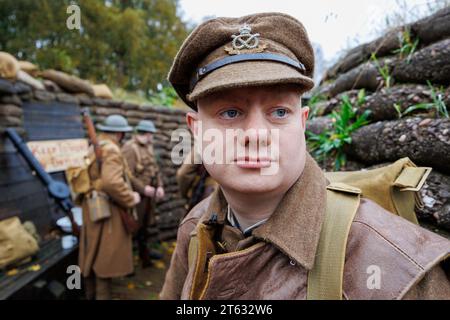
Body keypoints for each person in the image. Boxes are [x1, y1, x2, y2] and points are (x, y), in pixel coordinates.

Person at [160, 13, 450, 300]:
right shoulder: (195, 228)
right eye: (231, 113)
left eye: (279, 112)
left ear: (301, 123)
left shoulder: (398, 266)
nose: (257, 134)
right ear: (197, 130)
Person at [78, 115, 141, 300]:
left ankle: (90, 295)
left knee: (92, 255)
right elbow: (111, 183)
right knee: (103, 260)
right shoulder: (112, 149)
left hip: (92, 206)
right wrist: (131, 198)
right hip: (106, 209)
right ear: (120, 133)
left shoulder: (95, 147)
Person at [122, 120, 165, 267]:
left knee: (146, 226)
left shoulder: (148, 147)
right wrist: (143, 189)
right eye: (150, 134)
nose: (151, 137)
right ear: (146, 134)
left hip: (149, 195)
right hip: (138, 196)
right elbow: (128, 175)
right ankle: (126, 261)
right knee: (134, 227)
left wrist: (159, 186)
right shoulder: (130, 148)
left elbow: (155, 169)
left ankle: (144, 254)